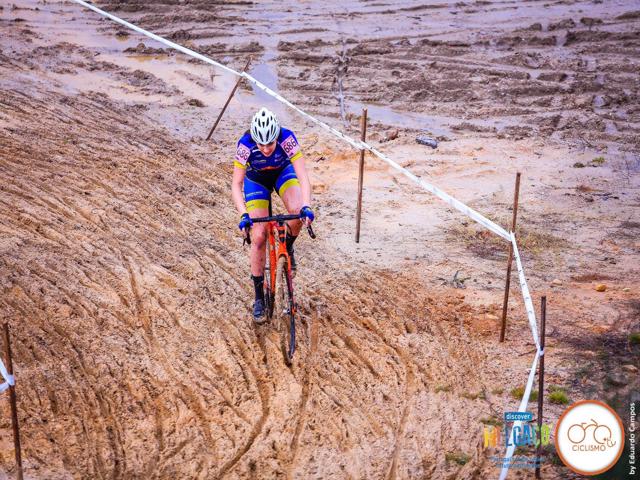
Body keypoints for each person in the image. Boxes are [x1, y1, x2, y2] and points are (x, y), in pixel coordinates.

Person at [231, 107, 314, 323]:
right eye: (261, 144)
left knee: (296, 213)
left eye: (270, 143)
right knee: (258, 236)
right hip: (256, 179)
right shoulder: (245, 144)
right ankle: (259, 298)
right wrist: (243, 215)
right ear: (254, 140)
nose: (266, 149)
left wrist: (306, 206)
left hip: (282, 173)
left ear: (276, 136)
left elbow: (303, 176)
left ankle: (289, 245)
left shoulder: (287, 138)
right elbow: (236, 184)